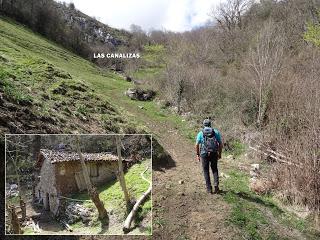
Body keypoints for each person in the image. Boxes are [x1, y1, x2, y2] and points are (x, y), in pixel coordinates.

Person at [195, 119, 223, 194]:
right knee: (214, 169)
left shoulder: (201, 133)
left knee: (206, 171)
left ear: (203, 125)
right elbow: (220, 144)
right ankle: (216, 185)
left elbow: (197, 144)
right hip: (214, 153)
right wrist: (219, 154)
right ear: (210, 124)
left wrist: (197, 154)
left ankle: (209, 189)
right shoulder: (215, 132)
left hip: (204, 153)